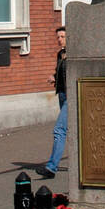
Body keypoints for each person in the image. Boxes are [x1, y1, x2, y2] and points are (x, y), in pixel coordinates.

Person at [39, 25, 68, 177]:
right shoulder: (60, 54)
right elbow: (60, 72)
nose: (59, 40)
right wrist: (54, 78)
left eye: (62, 37)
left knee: (59, 130)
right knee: (71, 131)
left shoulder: (75, 55)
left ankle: (51, 167)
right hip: (62, 94)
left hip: (72, 97)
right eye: (58, 37)